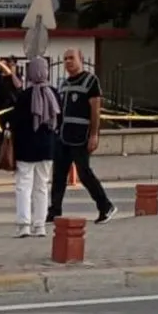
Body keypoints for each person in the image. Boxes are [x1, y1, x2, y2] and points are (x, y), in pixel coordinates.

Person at [49, 48, 116, 224]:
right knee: (58, 176)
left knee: (84, 174)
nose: (68, 62)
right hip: (63, 136)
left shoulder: (90, 81)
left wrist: (94, 134)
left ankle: (105, 206)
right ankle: (54, 210)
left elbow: (95, 110)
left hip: (81, 136)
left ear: (81, 59)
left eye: (72, 58)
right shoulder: (64, 83)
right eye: (65, 59)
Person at [9, 57, 59, 238]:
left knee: (24, 186)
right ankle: (40, 226)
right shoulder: (53, 93)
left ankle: (24, 225)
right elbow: (57, 119)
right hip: (47, 148)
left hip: (25, 148)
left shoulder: (24, 96)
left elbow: (15, 122)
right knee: (42, 186)